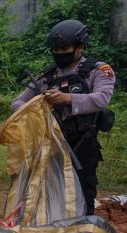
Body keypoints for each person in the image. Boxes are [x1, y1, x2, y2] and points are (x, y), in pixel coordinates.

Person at [11, 19, 116, 215]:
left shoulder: (98, 70)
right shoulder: (47, 76)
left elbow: (101, 99)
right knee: (50, 189)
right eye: (55, 50)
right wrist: (37, 107)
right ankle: (54, 231)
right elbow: (17, 103)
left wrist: (66, 98)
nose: (59, 53)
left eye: (64, 48)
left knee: (84, 188)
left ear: (80, 46)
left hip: (82, 141)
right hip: (51, 143)